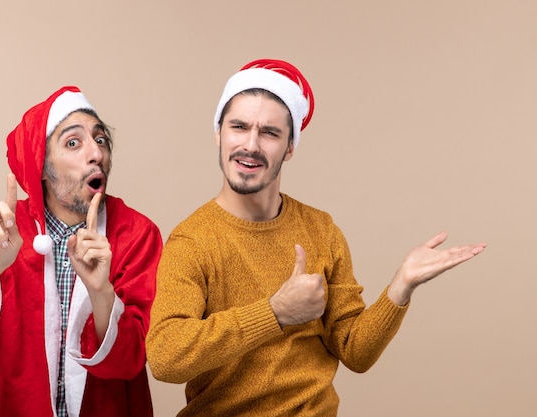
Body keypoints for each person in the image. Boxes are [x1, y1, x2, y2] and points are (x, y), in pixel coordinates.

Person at [145, 59, 487, 416]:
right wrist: (275, 312)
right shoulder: (192, 240)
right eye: (239, 127)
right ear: (218, 133)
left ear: (290, 148)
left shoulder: (321, 230)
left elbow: (355, 351)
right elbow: (166, 358)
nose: (250, 144)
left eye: (270, 133)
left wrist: (400, 287)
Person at [0, 86, 162, 417]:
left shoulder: (137, 234)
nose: (96, 153)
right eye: (73, 142)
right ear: (42, 166)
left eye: (100, 139)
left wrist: (101, 293)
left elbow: (132, 360)